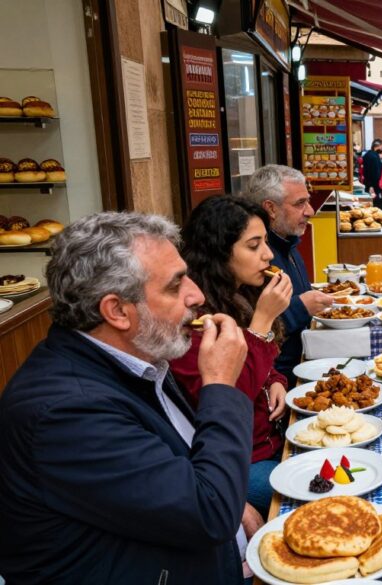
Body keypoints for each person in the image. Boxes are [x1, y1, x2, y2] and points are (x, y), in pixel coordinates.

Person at [0, 212, 252, 583]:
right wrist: (219, 385)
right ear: (117, 311)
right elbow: (208, 513)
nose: (196, 295)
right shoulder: (66, 414)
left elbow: (169, 472)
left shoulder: (138, 354)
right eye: (175, 285)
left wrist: (235, 501)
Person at [170, 196, 292, 521]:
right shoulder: (195, 322)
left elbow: (266, 359)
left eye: (266, 242)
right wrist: (263, 321)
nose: (268, 254)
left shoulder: (240, 292)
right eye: (253, 246)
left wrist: (276, 380)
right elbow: (229, 395)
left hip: (273, 439)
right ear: (219, 252)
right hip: (242, 461)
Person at [241, 165, 333, 387]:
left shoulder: (288, 243)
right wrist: (301, 307)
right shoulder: (255, 261)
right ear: (270, 209)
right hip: (283, 379)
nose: (310, 211)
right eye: (300, 203)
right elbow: (252, 328)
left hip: (303, 363)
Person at [361, 139, 382, 207]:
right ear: (378, 146)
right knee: (376, 206)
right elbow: (376, 173)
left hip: (367, 184)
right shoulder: (374, 157)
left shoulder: (367, 155)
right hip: (374, 186)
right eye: (381, 146)